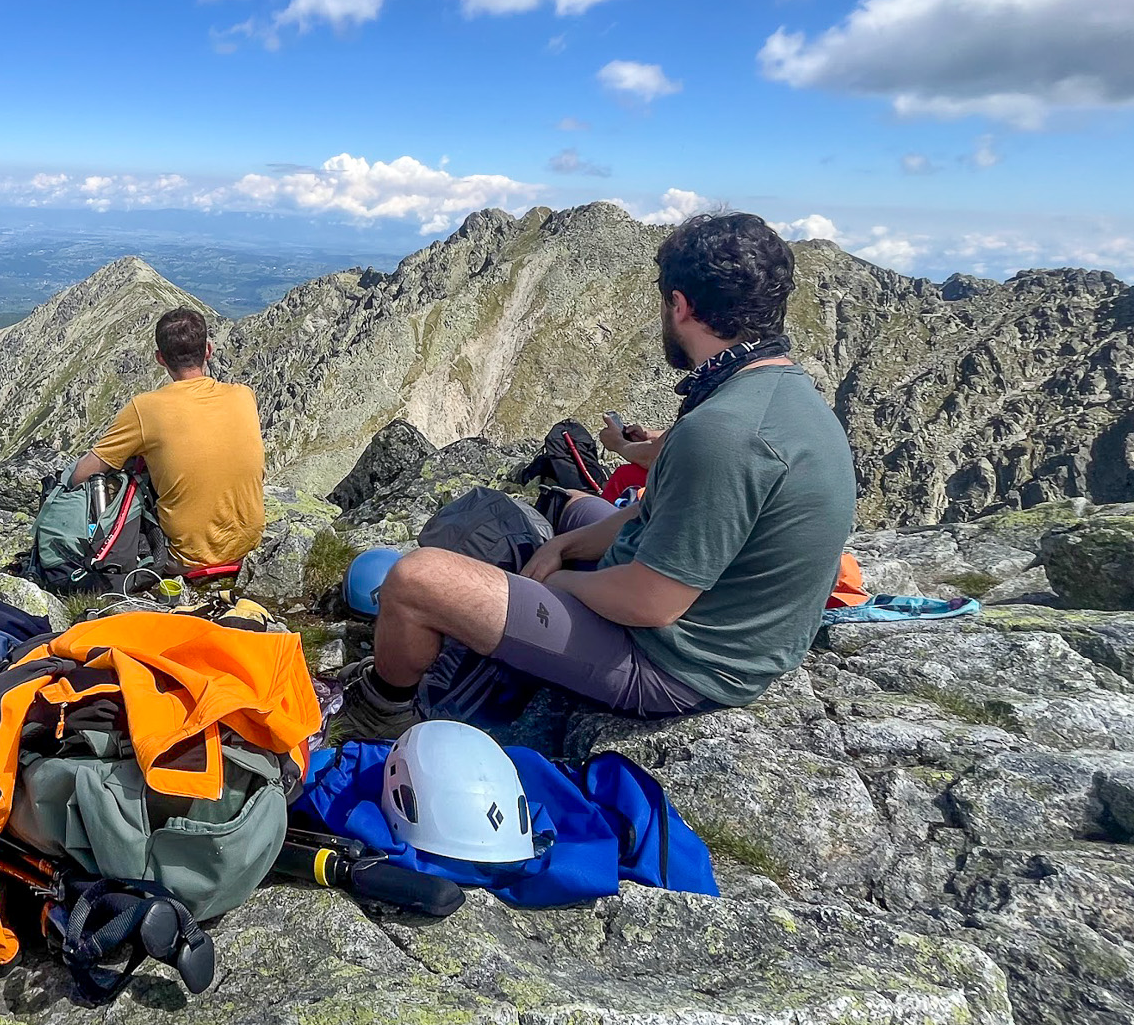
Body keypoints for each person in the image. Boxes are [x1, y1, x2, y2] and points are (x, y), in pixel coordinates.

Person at [329, 211, 856, 740]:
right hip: (736, 632)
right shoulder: (780, 395)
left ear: (680, 305)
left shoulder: (725, 431)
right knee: (574, 504)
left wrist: (555, 580)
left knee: (417, 579)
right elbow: (661, 510)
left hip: (676, 664)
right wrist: (567, 544)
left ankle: (383, 706)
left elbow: (650, 603)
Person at [69, 306, 265, 570]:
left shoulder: (145, 409)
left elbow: (81, 475)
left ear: (160, 358)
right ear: (208, 350)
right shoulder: (244, 394)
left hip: (186, 557)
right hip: (248, 546)